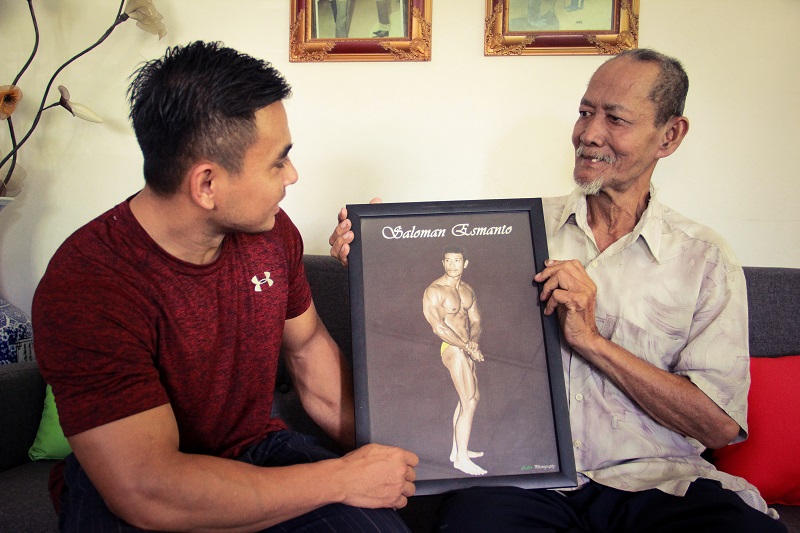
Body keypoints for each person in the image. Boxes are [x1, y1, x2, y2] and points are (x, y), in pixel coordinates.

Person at [329, 49, 787, 532]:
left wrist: (592, 341)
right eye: (586, 112)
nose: (589, 133)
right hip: (525, 481)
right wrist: (372, 256)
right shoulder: (512, 231)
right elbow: (437, 290)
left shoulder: (703, 258)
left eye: (615, 119)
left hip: (659, 483)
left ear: (669, 136)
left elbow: (718, 426)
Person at [32, 41, 417, 532]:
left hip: (254, 448)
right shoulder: (89, 283)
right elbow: (150, 490)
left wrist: (407, 458)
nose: (293, 175)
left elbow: (308, 352)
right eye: (278, 162)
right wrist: (341, 478)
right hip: (141, 485)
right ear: (207, 184)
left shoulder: (271, 234)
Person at [422, 246, 486, 476]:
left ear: (465, 263)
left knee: (471, 397)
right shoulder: (435, 290)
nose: (452, 265)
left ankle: (457, 450)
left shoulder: (468, 291)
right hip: (451, 347)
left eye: (457, 260)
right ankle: (461, 460)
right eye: (448, 260)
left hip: (467, 347)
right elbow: (438, 327)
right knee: (468, 401)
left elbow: (476, 320)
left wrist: (473, 342)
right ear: (443, 263)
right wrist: (466, 346)